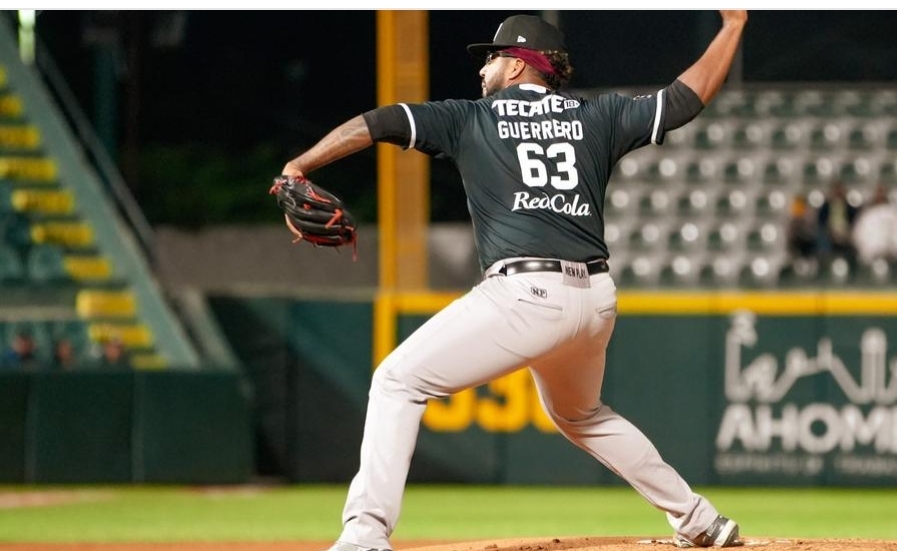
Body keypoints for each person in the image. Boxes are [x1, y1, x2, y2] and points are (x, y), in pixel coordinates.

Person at [279, 12, 747, 550]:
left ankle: (364, 536)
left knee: (397, 381)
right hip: (594, 300)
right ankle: (699, 519)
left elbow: (378, 121)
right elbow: (687, 98)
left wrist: (299, 164)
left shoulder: (470, 119)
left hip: (526, 294)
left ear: (521, 62)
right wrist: (733, 25)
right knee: (582, 414)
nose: (483, 69)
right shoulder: (599, 116)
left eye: (492, 56)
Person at [852, 184, 897, 267]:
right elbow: (858, 234)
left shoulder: (892, 212)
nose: (880, 195)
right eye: (878, 193)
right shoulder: (866, 214)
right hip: (871, 254)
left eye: (882, 193)